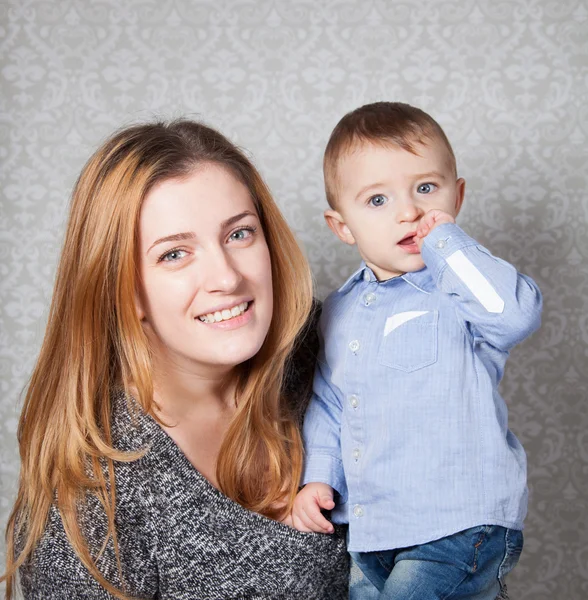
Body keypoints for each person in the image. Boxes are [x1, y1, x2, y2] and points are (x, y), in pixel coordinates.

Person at [2, 119, 349, 599]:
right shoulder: (93, 499)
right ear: (123, 290)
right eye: (174, 254)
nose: (226, 277)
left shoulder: (329, 350)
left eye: (239, 234)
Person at [291, 102, 542, 599]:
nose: (409, 211)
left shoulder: (462, 289)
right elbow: (329, 404)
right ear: (342, 226)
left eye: (425, 189)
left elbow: (515, 314)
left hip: (458, 522)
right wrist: (318, 476)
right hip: (373, 527)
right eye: (377, 200)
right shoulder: (338, 313)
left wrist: (444, 242)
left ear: (457, 194)